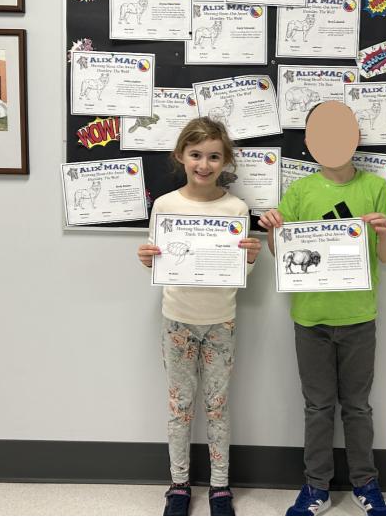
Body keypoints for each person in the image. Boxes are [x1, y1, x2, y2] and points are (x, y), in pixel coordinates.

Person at [258, 101, 386, 517]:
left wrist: (381, 233)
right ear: (309, 142)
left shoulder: (375, 187)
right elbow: (281, 254)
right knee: (318, 406)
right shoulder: (300, 190)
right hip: (310, 318)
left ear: (355, 138)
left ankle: (366, 483)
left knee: (358, 406)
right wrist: (273, 231)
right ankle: (315, 486)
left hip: (359, 317)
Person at [136, 117, 261, 517]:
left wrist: (252, 259)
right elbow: (161, 262)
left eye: (213, 156)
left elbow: (240, 272)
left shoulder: (236, 207)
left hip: (221, 320)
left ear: (225, 161)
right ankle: (178, 484)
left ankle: (220, 486)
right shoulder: (166, 205)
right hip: (177, 320)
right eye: (195, 155)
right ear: (180, 156)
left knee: (219, 405)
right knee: (180, 405)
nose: (203, 164)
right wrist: (146, 259)